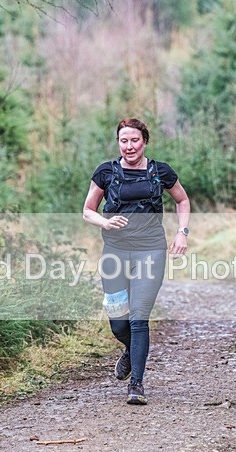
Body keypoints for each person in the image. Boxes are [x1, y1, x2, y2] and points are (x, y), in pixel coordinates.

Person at [82, 118, 190, 405]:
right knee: (118, 324)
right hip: (115, 253)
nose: (129, 146)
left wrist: (182, 232)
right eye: (124, 141)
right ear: (119, 142)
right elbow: (87, 210)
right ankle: (131, 350)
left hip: (150, 251)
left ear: (145, 141)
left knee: (138, 316)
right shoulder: (106, 172)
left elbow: (182, 200)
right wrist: (104, 222)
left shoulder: (160, 171)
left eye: (135, 140)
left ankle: (137, 384)